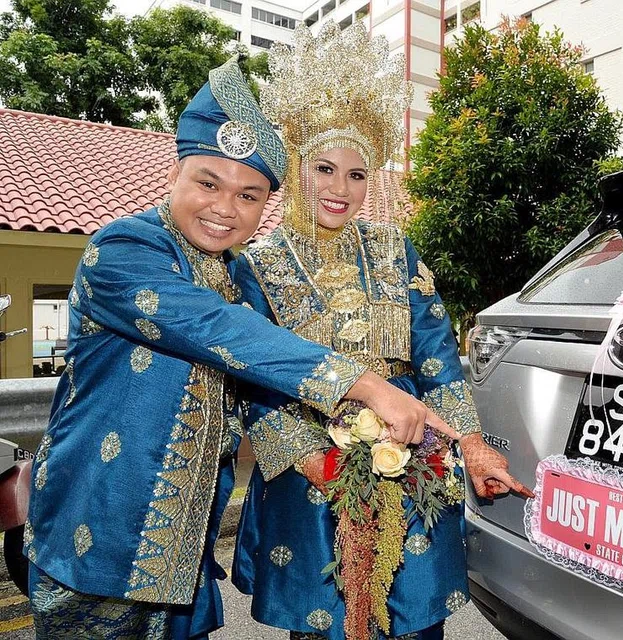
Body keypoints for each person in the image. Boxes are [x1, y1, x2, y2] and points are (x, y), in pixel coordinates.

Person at [25, 56, 449, 639]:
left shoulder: (236, 273)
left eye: (249, 196)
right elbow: (223, 332)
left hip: (184, 548)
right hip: (101, 532)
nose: (226, 209)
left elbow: (258, 386)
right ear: (172, 175)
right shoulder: (123, 250)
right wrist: (366, 385)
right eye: (208, 183)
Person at [230, 23, 532, 640]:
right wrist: (315, 459)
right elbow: (252, 377)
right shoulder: (257, 264)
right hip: (314, 473)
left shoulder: (397, 251)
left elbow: (436, 356)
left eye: (359, 174)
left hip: (412, 460)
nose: (341, 189)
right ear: (297, 167)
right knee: (324, 624)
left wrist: (470, 446)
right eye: (324, 168)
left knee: (413, 620)